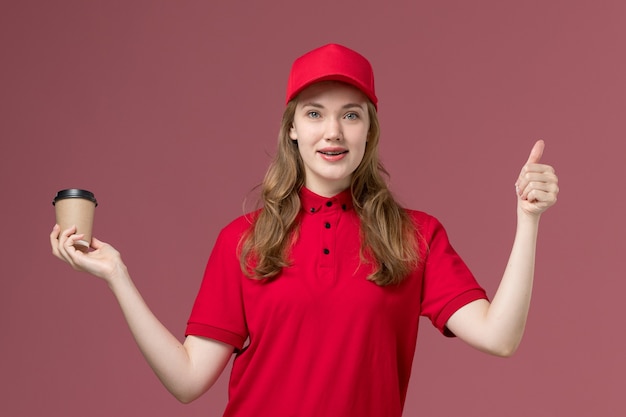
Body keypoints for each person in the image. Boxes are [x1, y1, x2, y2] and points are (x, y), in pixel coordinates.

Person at [50, 43, 559, 416]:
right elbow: (187, 380)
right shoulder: (242, 240)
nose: (333, 132)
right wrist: (117, 274)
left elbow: (500, 336)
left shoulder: (415, 236)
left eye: (350, 115)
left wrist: (527, 220)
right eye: (315, 113)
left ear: (369, 130)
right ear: (292, 128)